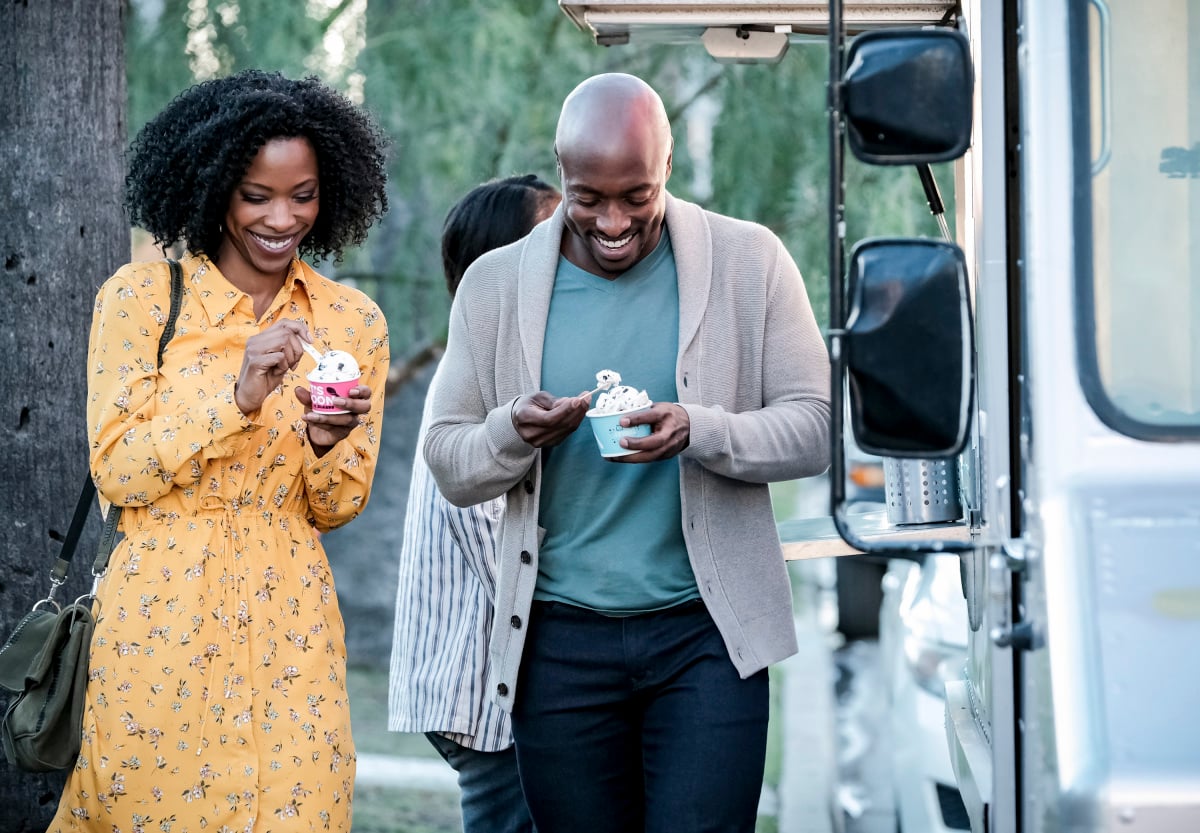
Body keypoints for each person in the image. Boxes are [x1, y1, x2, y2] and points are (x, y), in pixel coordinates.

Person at [424, 73, 831, 833]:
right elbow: (448, 458)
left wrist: (702, 430)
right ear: (561, 171)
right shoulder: (495, 284)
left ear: (667, 167)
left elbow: (814, 426)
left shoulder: (752, 262)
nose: (612, 221)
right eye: (588, 198)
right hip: (558, 643)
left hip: (705, 638)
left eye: (635, 197)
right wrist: (513, 429)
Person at [48, 70, 390, 833]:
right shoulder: (140, 300)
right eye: (255, 195)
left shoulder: (351, 319)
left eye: (303, 194)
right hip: (159, 625)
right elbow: (119, 469)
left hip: (292, 627)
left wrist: (328, 442)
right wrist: (234, 397)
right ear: (210, 189)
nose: (282, 218)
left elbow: (336, 507)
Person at [387, 174, 559, 833]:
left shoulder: (510, 367)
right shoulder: (482, 373)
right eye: (552, 239)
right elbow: (496, 539)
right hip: (480, 684)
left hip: (482, 682)